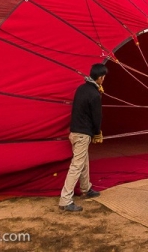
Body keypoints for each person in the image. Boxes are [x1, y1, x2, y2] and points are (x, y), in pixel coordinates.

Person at [58, 63, 107, 212]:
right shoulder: (94, 94)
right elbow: (96, 117)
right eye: (103, 77)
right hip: (82, 134)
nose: (104, 79)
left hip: (74, 132)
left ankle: (86, 188)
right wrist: (97, 133)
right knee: (77, 166)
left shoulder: (81, 89)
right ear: (99, 78)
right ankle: (65, 200)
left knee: (83, 160)